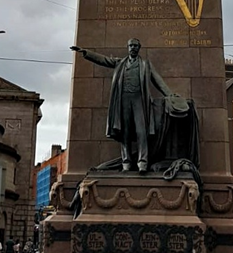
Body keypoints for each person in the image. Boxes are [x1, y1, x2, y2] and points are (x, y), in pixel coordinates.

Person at [71, 38, 172, 173]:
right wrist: (86, 53)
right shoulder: (120, 63)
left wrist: (170, 95)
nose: (133, 48)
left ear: (139, 47)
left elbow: (158, 80)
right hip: (124, 100)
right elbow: (104, 60)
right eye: (131, 45)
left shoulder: (145, 65)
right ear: (128, 47)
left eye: (135, 45)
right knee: (125, 132)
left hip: (139, 100)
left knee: (142, 132)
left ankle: (142, 162)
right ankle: (126, 163)